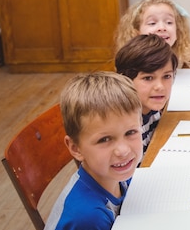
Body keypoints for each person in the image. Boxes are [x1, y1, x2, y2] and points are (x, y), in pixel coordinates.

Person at [45, 72, 143, 230]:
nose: (123, 151)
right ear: (76, 148)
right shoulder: (89, 217)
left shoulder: (116, 175)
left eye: (130, 132)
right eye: (104, 139)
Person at [115, 34, 178, 154]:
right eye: (148, 78)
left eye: (167, 76)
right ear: (126, 80)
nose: (160, 86)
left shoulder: (151, 108)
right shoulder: (125, 125)